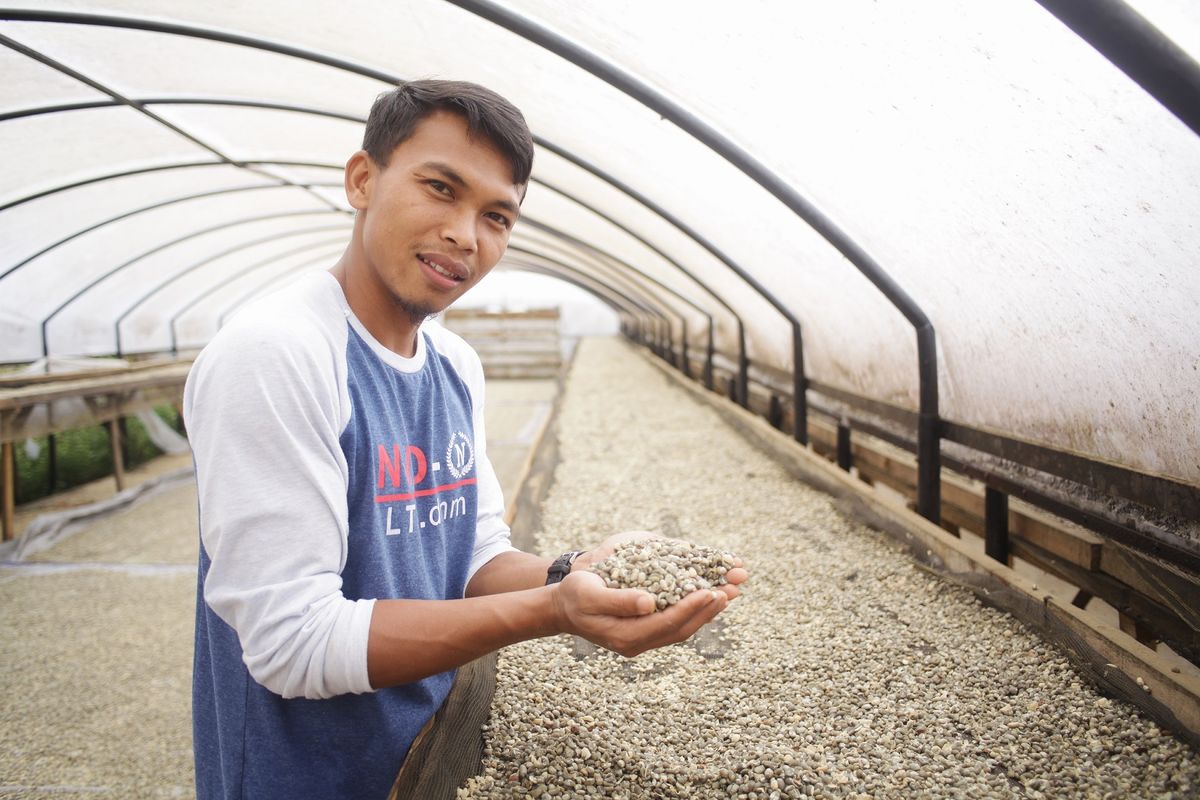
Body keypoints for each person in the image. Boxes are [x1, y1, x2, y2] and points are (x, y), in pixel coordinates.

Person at [184, 79, 746, 800]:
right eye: (440, 188)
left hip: (428, 752)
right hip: (306, 775)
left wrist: (578, 570)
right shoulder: (276, 354)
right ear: (363, 179)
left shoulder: (453, 364)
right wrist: (552, 612)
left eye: (496, 217)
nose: (466, 235)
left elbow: (473, 554)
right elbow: (291, 643)